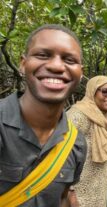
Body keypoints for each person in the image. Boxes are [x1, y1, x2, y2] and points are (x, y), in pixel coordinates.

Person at [0, 24, 86, 206]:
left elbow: (63, 197)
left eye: (69, 60)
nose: (56, 66)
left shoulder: (76, 143)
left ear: (80, 73)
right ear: (23, 64)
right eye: (42, 55)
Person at [66, 76, 107, 206]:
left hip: (97, 190)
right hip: (78, 195)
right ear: (92, 91)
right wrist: (70, 193)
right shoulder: (78, 116)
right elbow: (59, 158)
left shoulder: (101, 116)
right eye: (105, 91)